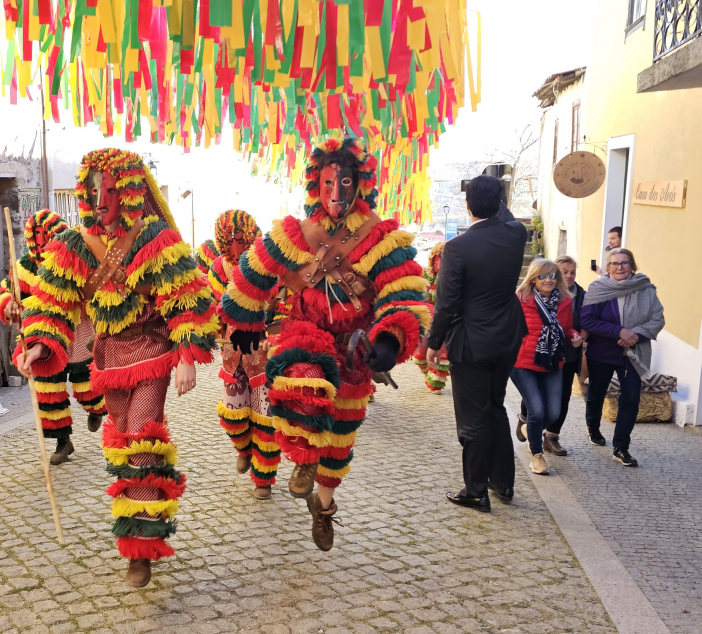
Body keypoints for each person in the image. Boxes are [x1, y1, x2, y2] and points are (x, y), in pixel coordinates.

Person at [15, 149, 217, 587]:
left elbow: (187, 295)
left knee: (143, 437)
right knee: (123, 444)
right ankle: (140, 528)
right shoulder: (75, 245)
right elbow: (52, 303)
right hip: (107, 361)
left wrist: (185, 355)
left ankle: (141, 548)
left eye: (109, 189)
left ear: (127, 191)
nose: (100, 198)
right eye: (92, 190)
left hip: (151, 351)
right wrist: (36, 345)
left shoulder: (155, 237)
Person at [219, 136, 430, 550]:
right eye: (330, 184)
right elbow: (251, 275)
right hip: (305, 330)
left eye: (346, 184)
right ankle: (302, 464)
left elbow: (403, 291)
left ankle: (324, 506)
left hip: (353, 343)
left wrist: (390, 335)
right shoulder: (294, 234)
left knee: (341, 436)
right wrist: (243, 323)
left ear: (360, 185)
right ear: (317, 185)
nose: (337, 195)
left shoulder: (380, 239)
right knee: (302, 381)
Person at [428, 175, 528, 512]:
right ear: (501, 202)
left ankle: (475, 490)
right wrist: (498, 191)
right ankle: (503, 483)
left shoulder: (458, 247)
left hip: (472, 340)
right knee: (495, 407)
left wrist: (433, 342)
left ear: (467, 206)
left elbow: (446, 303)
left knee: (472, 419)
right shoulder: (516, 234)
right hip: (507, 335)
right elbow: (509, 216)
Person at [0, 209, 107, 464]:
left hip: (78, 332)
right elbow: (7, 293)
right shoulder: (24, 268)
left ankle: (97, 410)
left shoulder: (77, 259)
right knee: (49, 391)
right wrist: (10, 304)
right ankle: (62, 441)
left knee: (87, 384)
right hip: (39, 335)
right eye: (46, 238)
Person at [209, 210, 284, 500]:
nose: (236, 244)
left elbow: (280, 301)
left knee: (266, 417)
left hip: (264, 352)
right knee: (233, 413)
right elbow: (214, 307)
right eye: (229, 240)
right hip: (232, 352)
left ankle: (263, 479)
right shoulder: (217, 268)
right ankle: (243, 448)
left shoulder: (269, 265)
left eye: (241, 238)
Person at [582, 248, 665, 466]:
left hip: (633, 353)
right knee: (596, 392)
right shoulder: (598, 288)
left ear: (632, 265)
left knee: (630, 398)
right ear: (607, 267)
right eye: (614, 264)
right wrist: (619, 331)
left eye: (624, 263)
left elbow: (658, 318)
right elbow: (587, 321)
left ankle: (621, 447)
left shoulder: (645, 288)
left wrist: (634, 335)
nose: (619, 267)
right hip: (602, 351)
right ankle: (593, 427)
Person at [511, 260, 581, 475]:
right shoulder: (520, 299)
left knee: (552, 412)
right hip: (523, 363)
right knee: (537, 410)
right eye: (543, 276)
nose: (548, 280)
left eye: (553, 275)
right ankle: (536, 455)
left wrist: (573, 337)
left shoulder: (565, 301)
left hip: (552, 361)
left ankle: (527, 425)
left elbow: (566, 329)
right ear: (533, 278)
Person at [413, 242, 449, 393]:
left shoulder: (453, 277)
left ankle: (436, 382)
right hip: (425, 317)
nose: (439, 262)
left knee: (441, 350)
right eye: (437, 258)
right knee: (421, 352)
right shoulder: (425, 274)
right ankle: (429, 373)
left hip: (443, 318)